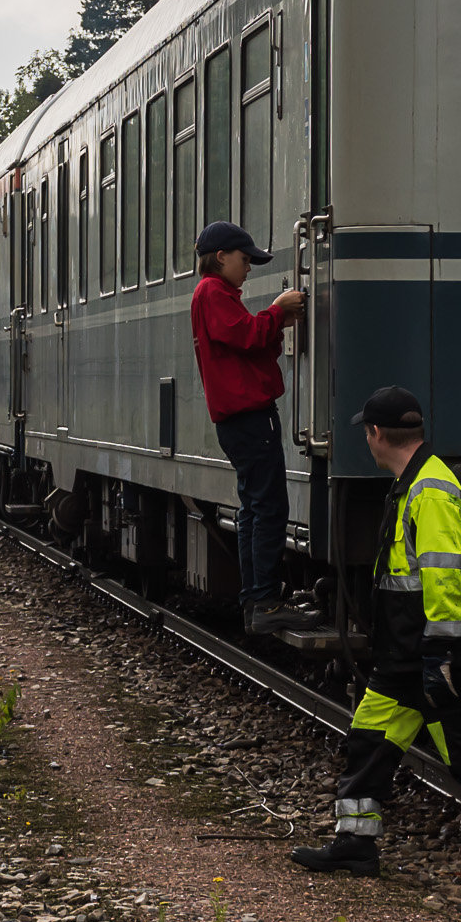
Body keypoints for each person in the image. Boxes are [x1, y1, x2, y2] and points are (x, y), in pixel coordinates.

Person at [290, 386, 461, 899]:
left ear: (376, 433)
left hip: (441, 655)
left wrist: (440, 654)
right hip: (409, 655)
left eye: (366, 432)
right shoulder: (415, 482)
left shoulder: (430, 491)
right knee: (369, 737)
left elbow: (444, 579)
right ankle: (355, 842)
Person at [189, 221, 307, 634]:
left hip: (239, 418)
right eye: (244, 259)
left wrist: (277, 322)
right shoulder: (213, 292)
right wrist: (278, 309)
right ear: (221, 257)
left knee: (254, 508)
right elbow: (245, 335)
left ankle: (257, 598)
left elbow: (248, 346)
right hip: (249, 417)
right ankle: (265, 601)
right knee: (268, 507)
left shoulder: (214, 294)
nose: (249, 268)